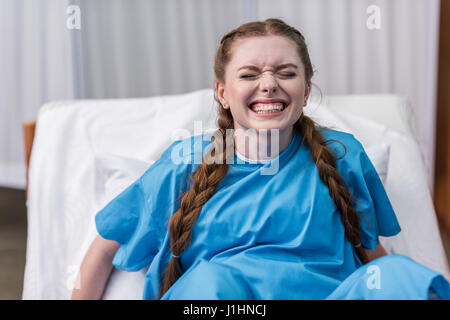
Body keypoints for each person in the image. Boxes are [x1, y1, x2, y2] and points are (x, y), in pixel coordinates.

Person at [72, 18, 450, 300]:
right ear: (223, 92)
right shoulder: (185, 162)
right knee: (210, 283)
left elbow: (371, 255)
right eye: (249, 74)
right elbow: (104, 248)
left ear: (305, 90)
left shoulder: (342, 154)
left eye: (286, 73)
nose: (268, 83)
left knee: (398, 274)